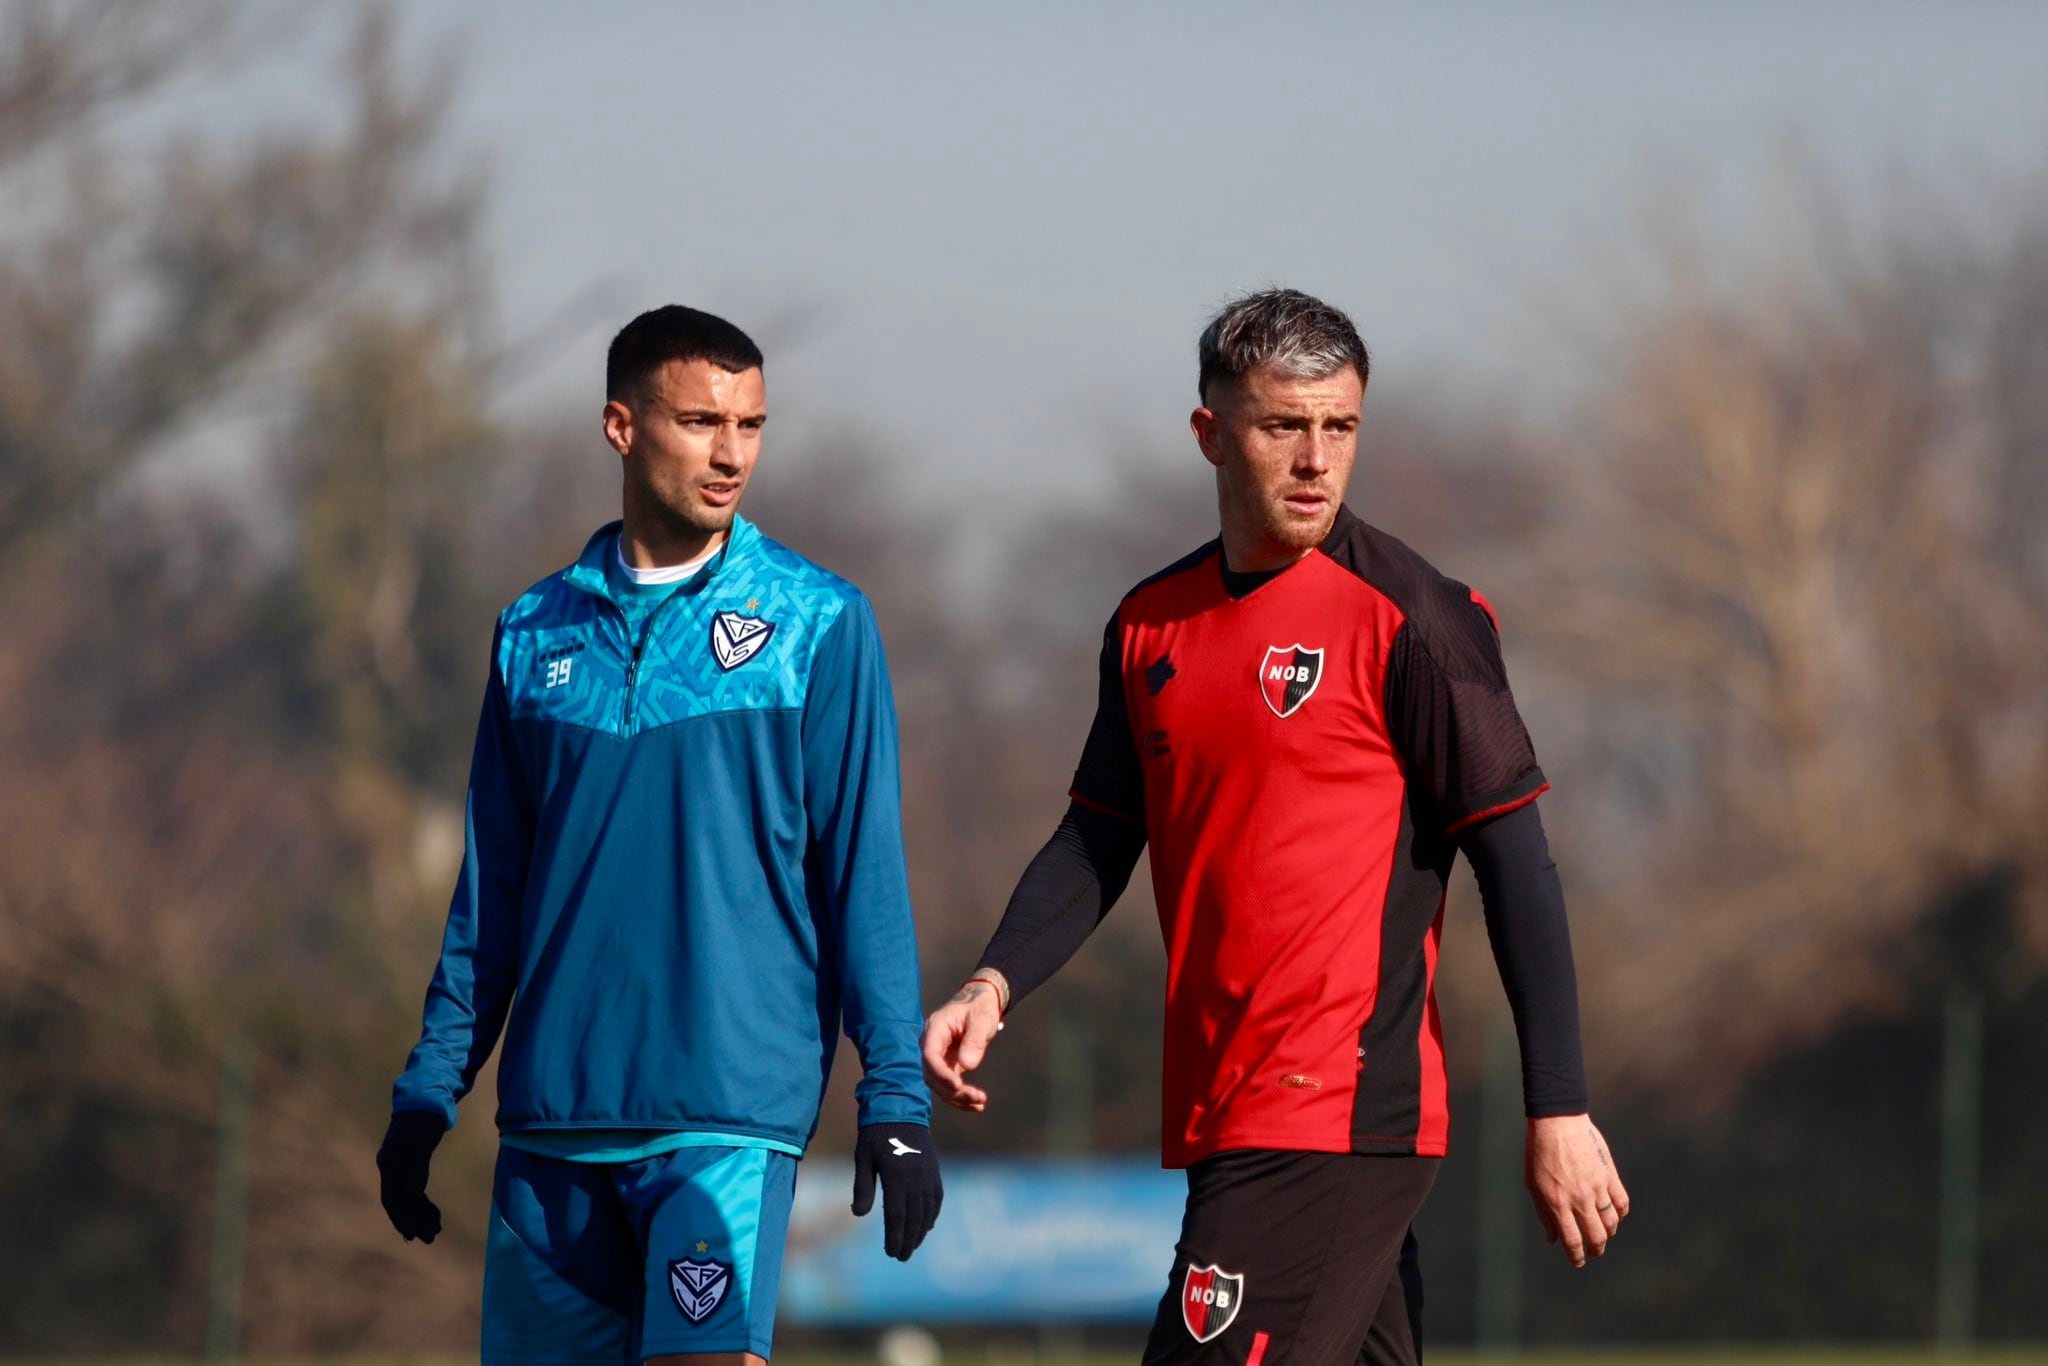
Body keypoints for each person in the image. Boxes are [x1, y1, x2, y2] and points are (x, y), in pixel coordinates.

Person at [921, 289, 1628, 1365]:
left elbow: (1514, 859)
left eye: (1337, 427)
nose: (1313, 459)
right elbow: (1097, 834)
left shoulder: (1415, 618)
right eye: (1280, 425)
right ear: (1210, 434)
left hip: (1329, 1107)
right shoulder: (1147, 624)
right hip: (1224, 1101)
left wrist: (1559, 1107)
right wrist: (991, 980)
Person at [377, 305, 940, 1365]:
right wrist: (429, 1087)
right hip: (550, 1128)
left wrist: (894, 1094)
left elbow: (862, 874)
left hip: (721, 1122)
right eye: (698, 420)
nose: (731, 452)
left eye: (751, 423)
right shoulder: (531, 631)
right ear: (620, 426)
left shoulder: (817, 623)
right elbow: (490, 893)